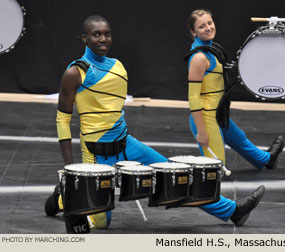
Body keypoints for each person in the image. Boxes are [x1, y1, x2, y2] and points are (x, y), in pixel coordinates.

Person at [45, 15, 265, 233]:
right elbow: (63, 120)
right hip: (96, 156)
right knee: (101, 223)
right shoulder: (74, 72)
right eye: (96, 34)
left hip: (125, 143)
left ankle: (233, 211)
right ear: (84, 38)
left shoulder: (118, 67)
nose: (103, 39)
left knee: (177, 177)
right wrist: (70, 171)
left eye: (107, 34)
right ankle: (64, 196)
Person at [186, 9, 284, 171]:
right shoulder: (199, 58)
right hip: (206, 117)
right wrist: (201, 131)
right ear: (193, 32)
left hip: (218, 112)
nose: (208, 28)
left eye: (210, 23)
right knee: (215, 171)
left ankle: (267, 159)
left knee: (240, 139)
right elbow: (193, 97)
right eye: (202, 26)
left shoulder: (212, 49)